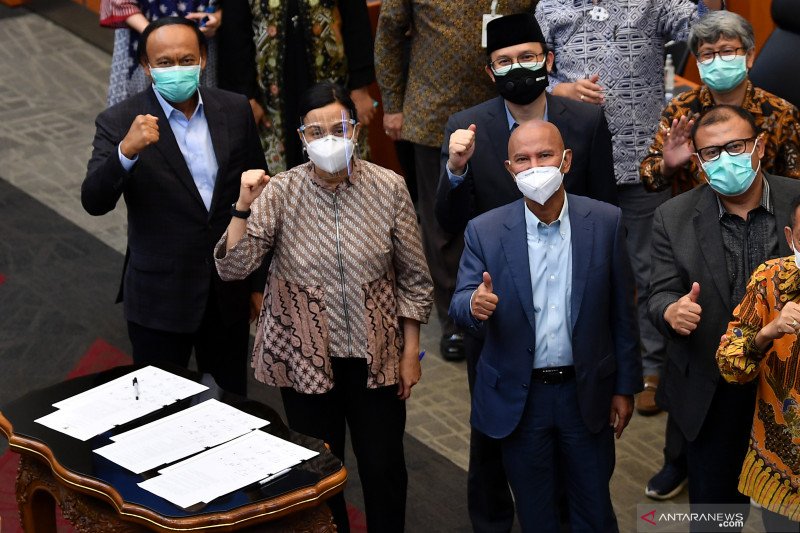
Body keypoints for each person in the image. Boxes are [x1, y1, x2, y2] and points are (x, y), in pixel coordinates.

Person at [214, 81, 433, 533]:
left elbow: (415, 279)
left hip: (376, 359)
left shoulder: (388, 187)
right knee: (318, 474)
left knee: (384, 469)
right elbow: (234, 268)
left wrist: (410, 351)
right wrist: (242, 206)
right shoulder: (281, 192)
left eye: (339, 128)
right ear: (302, 138)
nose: (329, 139)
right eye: (317, 131)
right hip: (306, 360)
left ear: (355, 130)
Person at [433, 12, 617, 532]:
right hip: (499, 313)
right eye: (504, 60)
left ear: (548, 59)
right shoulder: (467, 127)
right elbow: (448, 220)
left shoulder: (584, 120)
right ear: (490, 70)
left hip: (569, 308)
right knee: (493, 436)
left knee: (576, 453)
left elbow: (605, 210)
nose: (517, 67)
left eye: (528, 56)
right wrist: (456, 169)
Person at [535, 0, 722, 427]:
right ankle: (583, 357)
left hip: (643, 165)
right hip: (577, 163)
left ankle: (652, 367)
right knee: (582, 268)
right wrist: (556, 90)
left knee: (651, 269)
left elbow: (701, 25)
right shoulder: (549, 6)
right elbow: (528, 66)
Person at [639, 8, 800, 503]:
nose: (725, 159)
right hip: (708, 371)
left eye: (737, 148)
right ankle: (680, 465)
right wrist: (670, 310)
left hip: (786, 386)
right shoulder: (673, 213)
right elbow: (657, 293)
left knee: (782, 513)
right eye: (711, 153)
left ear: (759, 147)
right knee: (714, 509)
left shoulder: (791, 184)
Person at [449, 120, 641, 533]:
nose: (534, 166)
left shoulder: (605, 221)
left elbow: (622, 313)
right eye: (523, 159)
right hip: (522, 400)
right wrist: (474, 304)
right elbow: (459, 302)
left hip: (584, 394)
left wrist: (625, 387)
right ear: (509, 169)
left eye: (545, 155)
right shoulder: (484, 230)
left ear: (566, 160)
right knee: (537, 516)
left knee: (594, 512)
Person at [82, 17, 266, 396]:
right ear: (147, 67)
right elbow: (94, 201)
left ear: (202, 60)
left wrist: (257, 282)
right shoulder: (119, 121)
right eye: (164, 63)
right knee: (159, 409)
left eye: (186, 60)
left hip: (226, 293)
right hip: (160, 299)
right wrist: (125, 152)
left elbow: (260, 196)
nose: (176, 69)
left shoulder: (233, 110)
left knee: (231, 406)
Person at [375, 0, 535, 362]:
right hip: (433, 113)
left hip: (508, 108)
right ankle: (455, 319)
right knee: (443, 225)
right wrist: (393, 103)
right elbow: (388, 34)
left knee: (505, 211)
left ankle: (514, 305)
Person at [642, 10, 800, 195]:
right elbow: (649, 181)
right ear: (698, 62)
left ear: (749, 56)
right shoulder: (681, 111)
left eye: (727, 51)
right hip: (695, 209)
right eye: (707, 54)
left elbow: (795, 186)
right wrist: (667, 166)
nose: (717, 61)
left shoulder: (781, 114)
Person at [716, 195, 800, 531]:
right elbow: (729, 365)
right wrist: (768, 332)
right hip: (782, 472)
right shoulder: (770, 279)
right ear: (790, 237)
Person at [217, 0, 377, 174]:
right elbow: (234, 32)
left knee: (341, 159)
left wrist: (360, 88)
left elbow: (356, 21)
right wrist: (246, 95)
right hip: (270, 97)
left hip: (333, 85)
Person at [100, 0, 221, 106]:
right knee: (143, 104)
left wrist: (218, 17)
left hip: (202, 35)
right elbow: (119, 3)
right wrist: (154, 36)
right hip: (145, 33)